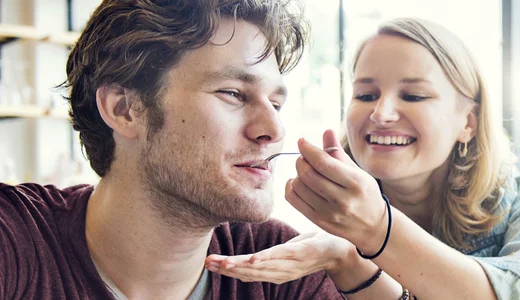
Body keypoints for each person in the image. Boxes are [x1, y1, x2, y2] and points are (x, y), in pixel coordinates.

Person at [206, 18, 520, 299]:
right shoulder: (322, 229)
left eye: (413, 97)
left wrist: (373, 235)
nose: (382, 113)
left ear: (467, 122)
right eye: (366, 95)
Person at [0, 1, 346, 299]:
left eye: (276, 103)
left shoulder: (277, 265)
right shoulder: (17, 240)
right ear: (124, 109)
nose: (274, 130)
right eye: (233, 93)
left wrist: (358, 254)